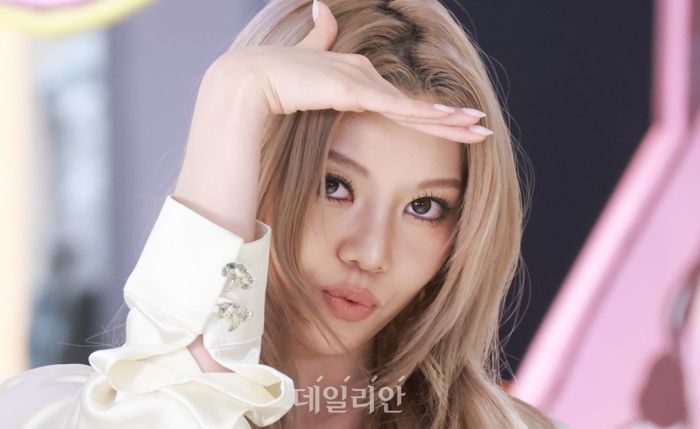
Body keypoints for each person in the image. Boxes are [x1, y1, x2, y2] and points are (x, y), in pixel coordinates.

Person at [0, 0, 571, 428]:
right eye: (334, 185)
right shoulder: (42, 412)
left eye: (424, 207)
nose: (370, 252)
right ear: (253, 166)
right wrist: (235, 92)